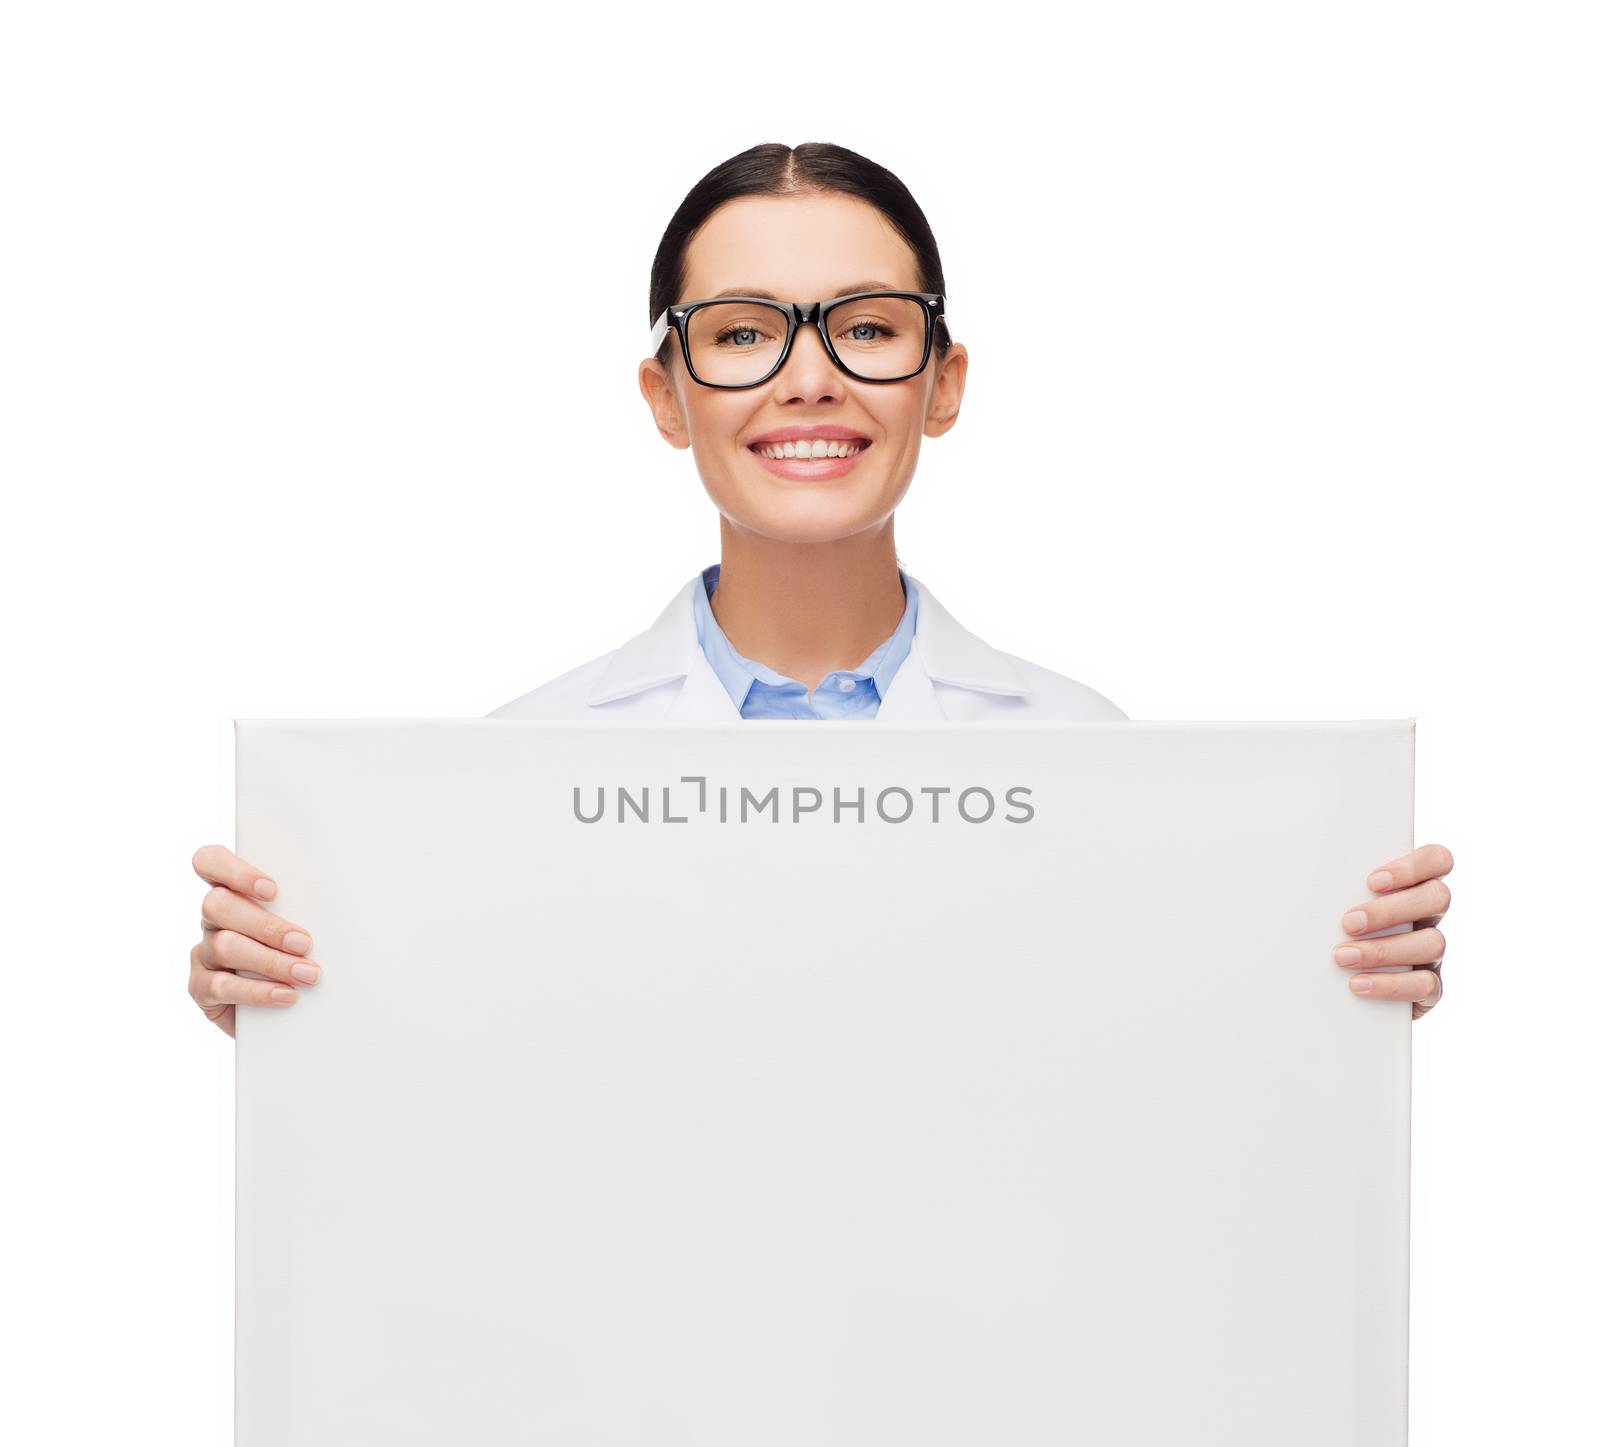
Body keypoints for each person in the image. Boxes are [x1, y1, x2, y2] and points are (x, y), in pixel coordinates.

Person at [188, 141, 1453, 1037]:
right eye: (742, 333)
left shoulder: (1090, 760)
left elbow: (1157, 1081)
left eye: (866, 325)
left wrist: (1329, 974)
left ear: (941, 382)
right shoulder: (514, 772)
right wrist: (304, 1011)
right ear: (666, 398)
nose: (807, 380)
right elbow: (466, 1098)